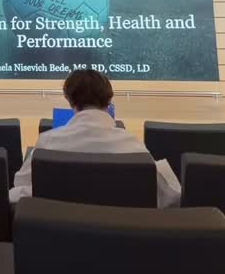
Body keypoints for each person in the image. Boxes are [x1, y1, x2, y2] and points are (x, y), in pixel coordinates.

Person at [10, 68, 181, 206]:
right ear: (109, 100)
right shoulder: (133, 146)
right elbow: (169, 196)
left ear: (70, 100)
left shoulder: (47, 143)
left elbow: (20, 188)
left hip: (57, 235)